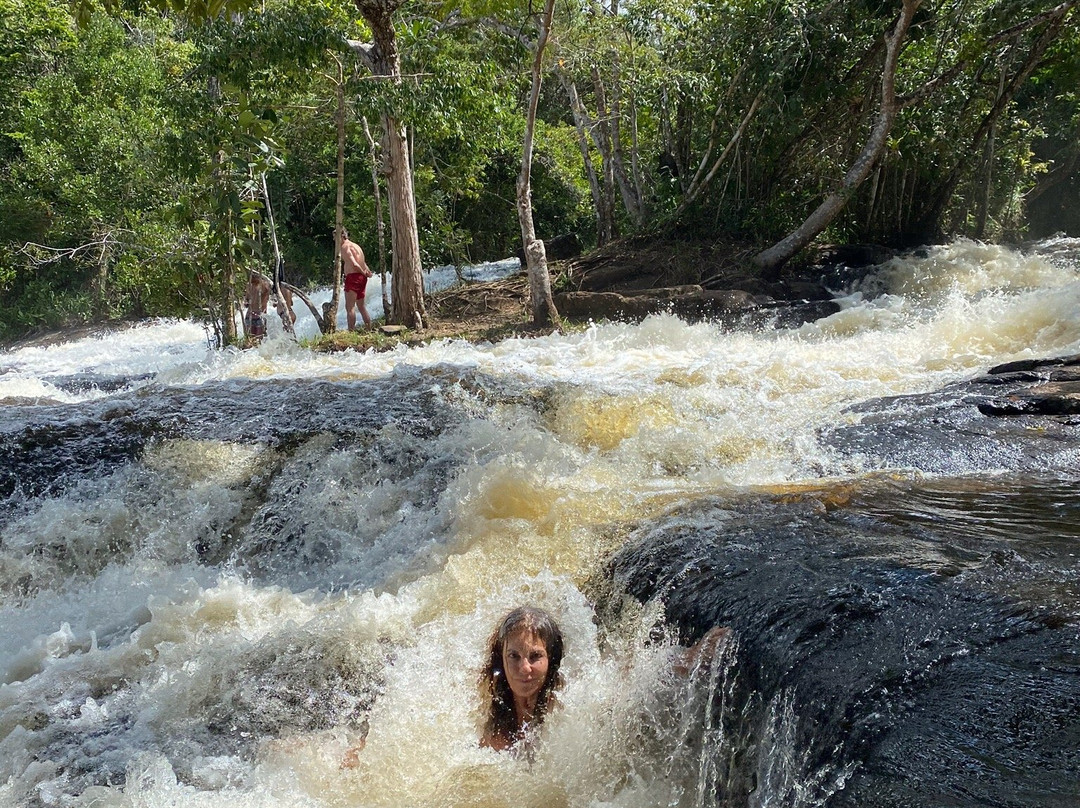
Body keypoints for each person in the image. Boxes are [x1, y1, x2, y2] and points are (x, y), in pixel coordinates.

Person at [479, 606, 565, 752]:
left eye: (536, 656)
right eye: (514, 656)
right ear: (501, 658)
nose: (525, 668)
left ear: (551, 659)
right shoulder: (482, 708)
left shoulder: (565, 712)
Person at [341, 228, 374, 331]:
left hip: (353, 277)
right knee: (361, 306)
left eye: (335, 236)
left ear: (341, 235)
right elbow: (362, 262)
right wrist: (367, 272)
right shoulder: (356, 246)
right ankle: (369, 329)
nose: (334, 239)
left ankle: (351, 331)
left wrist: (362, 272)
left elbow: (355, 264)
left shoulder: (344, 247)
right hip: (362, 278)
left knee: (350, 307)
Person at [244, 271, 272, 338]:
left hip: (255, 314)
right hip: (256, 314)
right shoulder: (264, 285)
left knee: (254, 339)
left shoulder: (262, 285)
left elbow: (246, 301)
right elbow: (246, 300)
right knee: (257, 339)